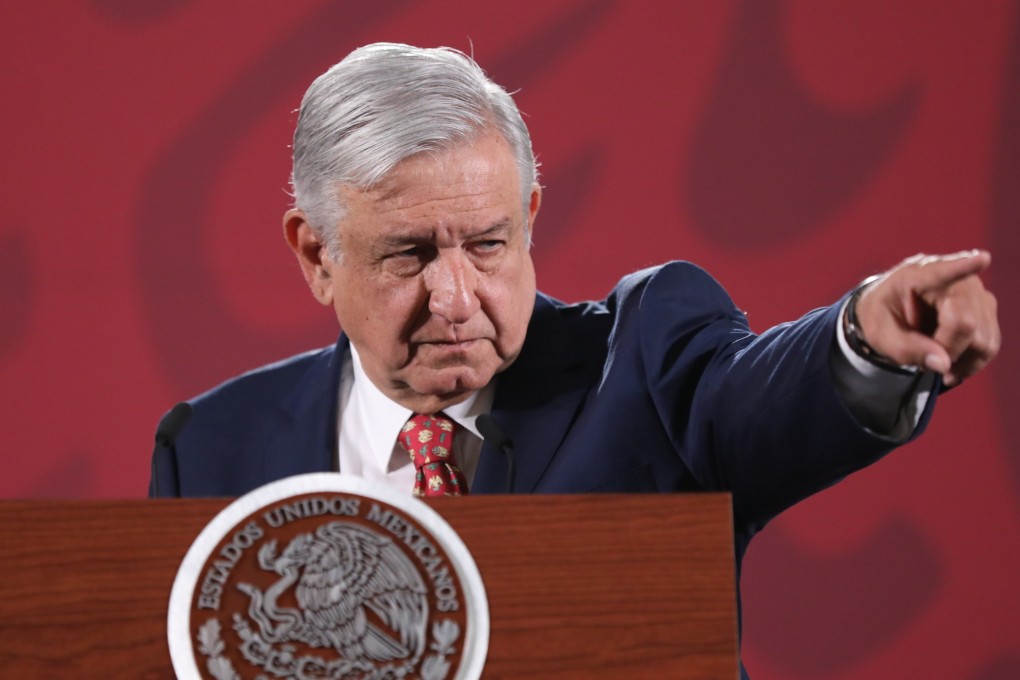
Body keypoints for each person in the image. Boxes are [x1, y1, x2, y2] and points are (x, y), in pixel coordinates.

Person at [149, 43, 1000, 677]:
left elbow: (759, 400)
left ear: (529, 216)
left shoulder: (643, 358)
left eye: (487, 244)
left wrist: (868, 341)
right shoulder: (212, 449)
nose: (455, 297)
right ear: (315, 255)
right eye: (408, 255)